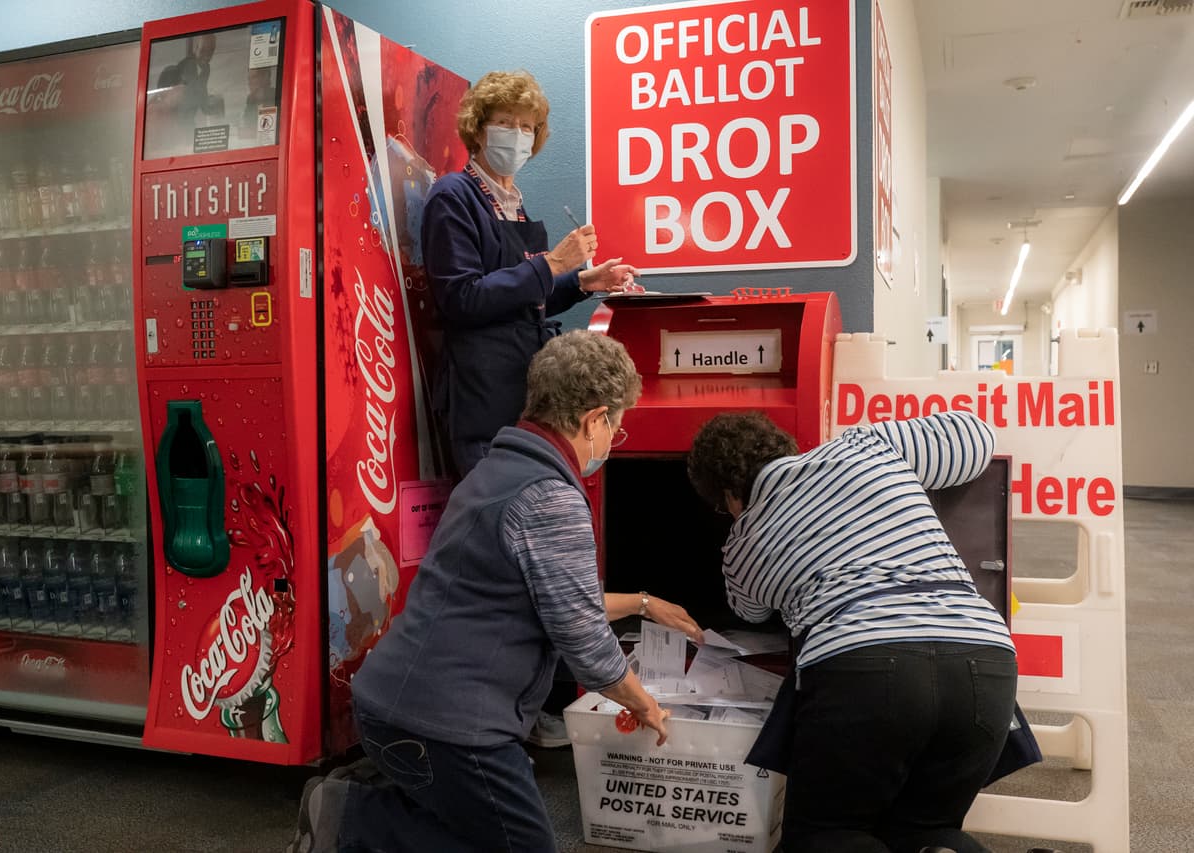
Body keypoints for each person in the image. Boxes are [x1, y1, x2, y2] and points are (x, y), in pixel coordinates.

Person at [290, 331, 699, 853]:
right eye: (615, 428)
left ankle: (364, 814)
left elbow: (557, 599)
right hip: (449, 727)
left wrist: (642, 603)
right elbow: (586, 645)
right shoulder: (551, 497)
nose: (611, 443)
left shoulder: (498, 470)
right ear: (594, 420)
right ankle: (352, 818)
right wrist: (648, 707)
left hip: (387, 702)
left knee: (469, 830)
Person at [686, 410, 1018, 853]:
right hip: (984, 659)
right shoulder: (868, 445)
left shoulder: (744, 543)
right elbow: (975, 438)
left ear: (728, 496)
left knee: (827, 834)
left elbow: (748, 611)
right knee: (928, 831)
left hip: (864, 667)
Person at [421, 70, 638, 478]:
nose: (516, 134)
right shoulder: (453, 196)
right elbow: (463, 299)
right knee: (497, 519)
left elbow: (523, 300)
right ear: (478, 128)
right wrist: (553, 264)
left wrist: (581, 282)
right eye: (504, 121)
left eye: (526, 126)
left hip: (527, 393)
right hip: (482, 397)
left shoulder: (514, 205)